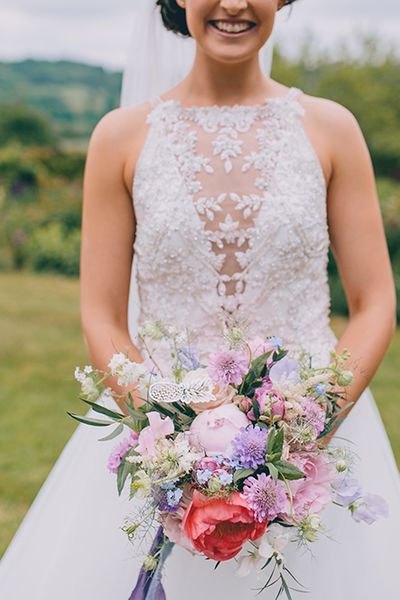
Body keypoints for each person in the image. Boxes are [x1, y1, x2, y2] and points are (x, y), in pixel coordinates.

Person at [0, 1, 399, 598]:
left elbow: (374, 304)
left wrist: (301, 430)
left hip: (317, 435)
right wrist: (173, 433)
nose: (233, 3)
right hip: (163, 438)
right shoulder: (121, 137)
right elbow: (101, 315)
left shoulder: (332, 128)